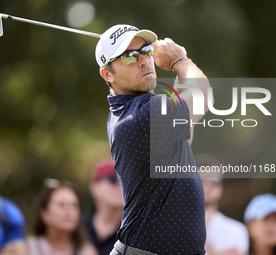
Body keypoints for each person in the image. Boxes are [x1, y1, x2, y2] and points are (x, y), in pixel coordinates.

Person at [95, 24, 212, 254]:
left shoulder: (132, 110)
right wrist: (180, 61)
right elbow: (202, 98)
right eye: (129, 57)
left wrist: (180, 72)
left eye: (146, 50)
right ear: (108, 74)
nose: (143, 61)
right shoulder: (139, 116)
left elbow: (184, 135)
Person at [27, 178, 98, 255]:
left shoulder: (88, 252)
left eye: (74, 205)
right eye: (61, 205)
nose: (69, 211)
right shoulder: (27, 249)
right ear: (44, 214)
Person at [196, 154, 249, 255]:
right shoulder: (174, 225)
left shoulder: (237, 230)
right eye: (202, 180)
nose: (208, 185)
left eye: (214, 181)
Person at [84, 159, 124, 255]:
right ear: (94, 187)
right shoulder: (77, 227)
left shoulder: (135, 233)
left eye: (124, 181)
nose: (120, 186)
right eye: (113, 180)